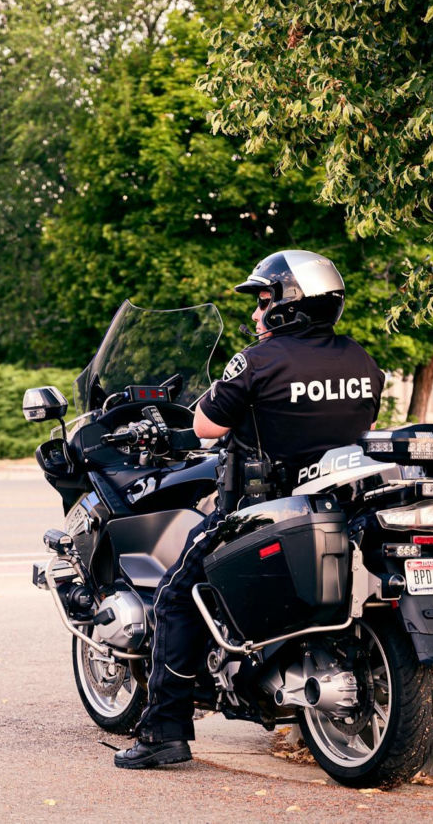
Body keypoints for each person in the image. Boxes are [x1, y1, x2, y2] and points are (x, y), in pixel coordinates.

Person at [113, 249, 385, 769]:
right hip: (341, 506)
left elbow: (205, 427)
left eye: (263, 302)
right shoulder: (361, 360)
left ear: (289, 305)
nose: (257, 313)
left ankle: (163, 731)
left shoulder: (257, 360)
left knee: (176, 597)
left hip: (262, 509)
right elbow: (363, 425)